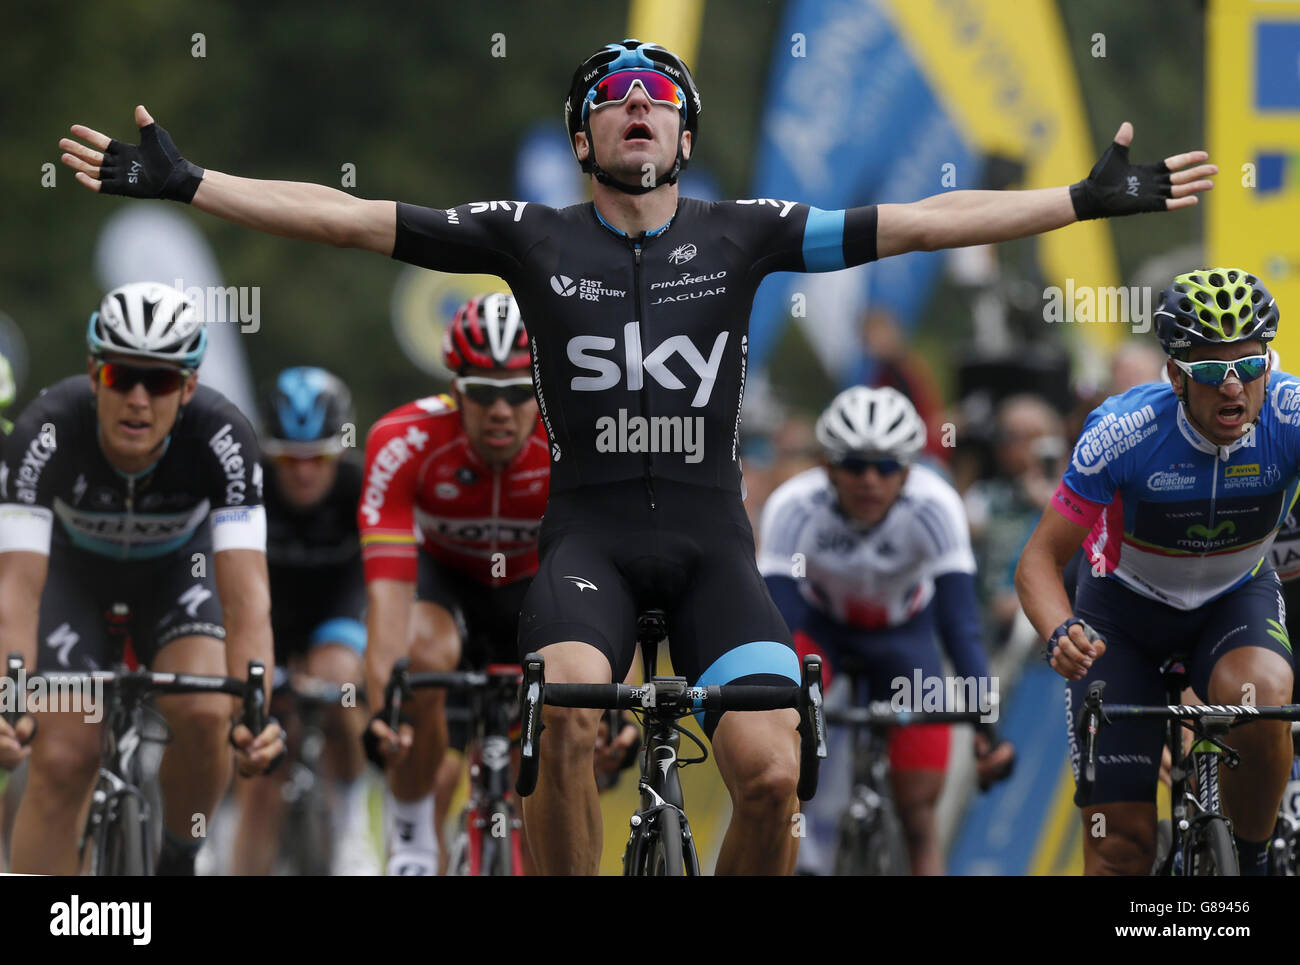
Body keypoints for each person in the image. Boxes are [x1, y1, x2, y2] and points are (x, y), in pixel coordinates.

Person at [58, 39, 1215, 873]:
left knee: (768, 773)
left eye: (659, 97)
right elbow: (353, 220)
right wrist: (192, 182)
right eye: (612, 100)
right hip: (591, 543)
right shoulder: (529, 235)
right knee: (564, 712)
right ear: (584, 138)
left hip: (713, 545)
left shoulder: (745, 232)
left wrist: (1072, 203)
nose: (637, 110)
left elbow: (914, 221)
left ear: (683, 134)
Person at [1016, 268, 1294, 875]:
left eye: (1249, 367)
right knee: (1120, 849)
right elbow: (1038, 560)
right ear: (1174, 374)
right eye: (1210, 370)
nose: (1233, 388)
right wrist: (1060, 630)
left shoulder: (1290, 417)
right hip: (1122, 617)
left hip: (1233, 600)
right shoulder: (1122, 432)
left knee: (1265, 698)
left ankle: (1249, 867)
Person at [0, 282, 283, 875]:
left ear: (187, 388)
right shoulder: (46, 429)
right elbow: (17, 590)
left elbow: (246, 595)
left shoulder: (224, 435)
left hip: (180, 572)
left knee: (206, 712)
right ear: (92, 370)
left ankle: (180, 856)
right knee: (63, 756)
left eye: (157, 382)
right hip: (72, 579)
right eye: (120, 377)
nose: (136, 398)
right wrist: (7, 698)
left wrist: (255, 715)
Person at [758, 386, 1014, 874]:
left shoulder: (935, 506)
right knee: (780, 752)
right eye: (854, 465)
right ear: (829, 467)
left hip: (904, 636)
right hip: (819, 630)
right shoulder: (793, 506)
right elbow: (779, 622)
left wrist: (987, 726)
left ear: (910, 469)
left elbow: (960, 624)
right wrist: (778, 712)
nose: (870, 480)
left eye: (887, 467)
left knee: (919, 813)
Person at [230, 366, 377, 875]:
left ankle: (351, 817)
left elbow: (381, 580)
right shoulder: (248, 484)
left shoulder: (361, 484)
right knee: (263, 765)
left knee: (337, 688)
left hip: (337, 611)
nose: (305, 472)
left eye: (319, 458)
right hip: (265, 616)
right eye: (290, 459)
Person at [964, 394, 1067, 640]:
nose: (1022, 448)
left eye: (1034, 436)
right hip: (992, 621)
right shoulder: (985, 495)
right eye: (1011, 437)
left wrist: (1053, 506)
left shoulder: (1080, 495)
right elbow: (961, 530)